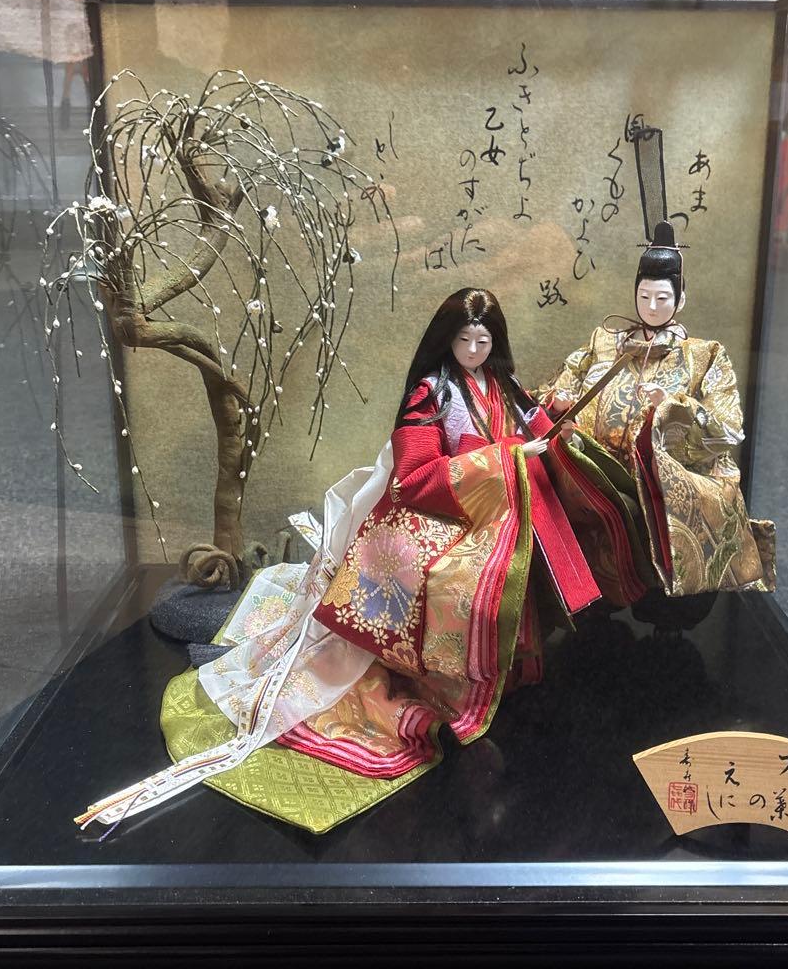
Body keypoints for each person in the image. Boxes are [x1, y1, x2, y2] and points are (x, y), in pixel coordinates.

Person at [77, 289, 639, 834]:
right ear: (447, 341)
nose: (474, 350)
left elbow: (534, 424)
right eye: (464, 340)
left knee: (519, 573)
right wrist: (503, 460)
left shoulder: (502, 384)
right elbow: (414, 477)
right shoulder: (431, 394)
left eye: (483, 340)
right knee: (449, 581)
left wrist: (551, 428)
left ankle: (506, 671)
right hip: (442, 509)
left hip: (496, 510)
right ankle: (446, 681)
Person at [539, 222, 775, 601]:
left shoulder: (704, 356)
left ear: (680, 299)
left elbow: (727, 429)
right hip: (595, 482)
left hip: (661, 492)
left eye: (662, 298)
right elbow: (558, 387)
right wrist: (559, 400)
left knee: (665, 594)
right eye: (644, 296)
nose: (651, 307)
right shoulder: (605, 341)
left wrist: (672, 407)